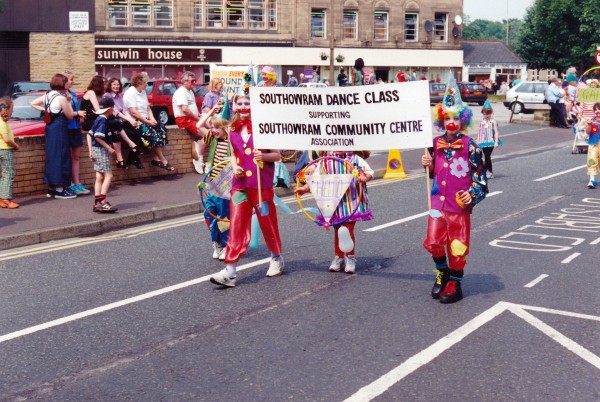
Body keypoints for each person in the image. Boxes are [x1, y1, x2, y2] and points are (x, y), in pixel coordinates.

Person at [210, 64, 284, 287]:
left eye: (247, 102)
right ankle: (230, 270)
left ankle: (276, 258)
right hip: (239, 185)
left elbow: (278, 155)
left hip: (261, 184)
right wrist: (234, 166)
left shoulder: (266, 126)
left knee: (267, 222)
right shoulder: (231, 129)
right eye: (239, 103)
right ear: (234, 106)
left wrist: (265, 155)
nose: (243, 106)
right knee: (237, 224)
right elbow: (233, 154)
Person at [421, 76, 488, 304]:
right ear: (442, 120)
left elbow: (481, 177)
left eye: (456, 118)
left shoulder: (471, 146)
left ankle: (455, 283)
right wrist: (428, 166)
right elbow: (435, 174)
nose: (451, 122)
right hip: (437, 204)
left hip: (459, 204)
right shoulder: (435, 144)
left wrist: (474, 193)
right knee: (433, 242)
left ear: (463, 121)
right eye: (447, 117)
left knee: (457, 246)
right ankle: (442, 272)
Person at [295, 151, 373, 274]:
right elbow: (315, 179)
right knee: (337, 229)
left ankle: (350, 257)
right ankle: (339, 257)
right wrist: (305, 188)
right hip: (333, 201)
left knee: (347, 230)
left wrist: (365, 177)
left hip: (350, 200)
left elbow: (368, 172)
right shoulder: (325, 161)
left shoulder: (355, 159)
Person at [31, 73, 78, 199]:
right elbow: (69, 115)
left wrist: (44, 112)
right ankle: (60, 190)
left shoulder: (47, 96)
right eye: (66, 83)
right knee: (62, 156)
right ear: (61, 84)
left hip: (50, 128)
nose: (68, 85)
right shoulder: (61, 98)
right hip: (60, 129)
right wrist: (69, 102)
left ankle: (52, 188)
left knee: (52, 156)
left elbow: (33, 103)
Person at [197, 100, 231, 260]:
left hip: (226, 186)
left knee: (224, 216)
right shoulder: (213, 138)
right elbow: (199, 126)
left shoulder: (233, 142)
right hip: (211, 183)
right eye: (213, 128)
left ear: (226, 128)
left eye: (218, 128)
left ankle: (225, 245)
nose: (214, 130)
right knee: (209, 213)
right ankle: (217, 242)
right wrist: (212, 112)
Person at [124, 73, 174, 170]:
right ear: (139, 83)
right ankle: (163, 160)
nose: (147, 84)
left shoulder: (142, 92)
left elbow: (148, 108)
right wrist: (148, 122)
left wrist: (153, 119)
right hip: (136, 121)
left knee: (162, 130)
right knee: (153, 134)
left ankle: (156, 159)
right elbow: (133, 113)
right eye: (145, 82)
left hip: (146, 120)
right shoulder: (130, 93)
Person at [103, 78, 143, 170]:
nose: (116, 86)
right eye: (114, 84)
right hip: (113, 122)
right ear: (110, 85)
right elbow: (116, 112)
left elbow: (124, 110)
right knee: (130, 134)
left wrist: (131, 120)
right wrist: (129, 120)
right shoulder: (108, 96)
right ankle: (131, 157)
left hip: (121, 121)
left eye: (118, 85)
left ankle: (131, 157)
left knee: (137, 132)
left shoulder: (119, 96)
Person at [87, 97, 118, 213]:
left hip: (95, 150)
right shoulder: (103, 120)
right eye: (113, 108)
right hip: (101, 151)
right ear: (110, 108)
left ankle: (97, 202)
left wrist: (90, 151)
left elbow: (89, 135)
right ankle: (102, 202)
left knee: (99, 177)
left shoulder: (98, 118)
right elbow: (98, 137)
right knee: (108, 176)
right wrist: (109, 148)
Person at [0, 97, 20, 208]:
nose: (13, 111)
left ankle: (2, 198)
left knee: (4, 175)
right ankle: (7, 199)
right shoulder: (2, 123)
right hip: (5, 150)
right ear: (7, 109)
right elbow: (6, 139)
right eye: (12, 109)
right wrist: (16, 145)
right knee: (9, 174)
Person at [477, 100, 502, 179]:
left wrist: (496, 142)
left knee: (487, 156)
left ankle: (486, 172)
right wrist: (477, 142)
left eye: (487, 114)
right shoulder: (482, 121)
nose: (485, 116)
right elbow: (480, 132)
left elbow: (496, 132)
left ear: (491, 113)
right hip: (483, 141)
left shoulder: (493, 121)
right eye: (484, 114)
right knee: (485, 157)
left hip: (491, 141)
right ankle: (489, 172)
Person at [584, 103, 600, 188]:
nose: (597, 111)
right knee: (592, 161)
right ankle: (592, 180)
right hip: (593, 143)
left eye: (599, 109)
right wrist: (589, 125)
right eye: (596, 109)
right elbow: (587, 132)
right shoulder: (592, 120)